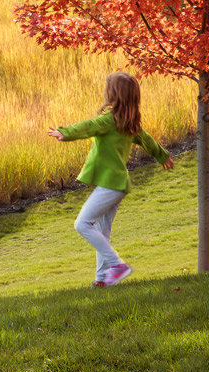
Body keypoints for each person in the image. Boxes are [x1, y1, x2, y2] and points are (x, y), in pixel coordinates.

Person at [47, 71, 174, 288]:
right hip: (118, 185)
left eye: (108, 88)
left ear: (114, 95)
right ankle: (102, 279)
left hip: (110, 185)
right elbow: (148, 141)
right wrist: (162, 156)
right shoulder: (130, 123)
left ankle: (117, 266)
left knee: (82, 224)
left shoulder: (109, 120)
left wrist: (64, 132)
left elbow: (87, 127)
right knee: (102, 231)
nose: (104, 91)